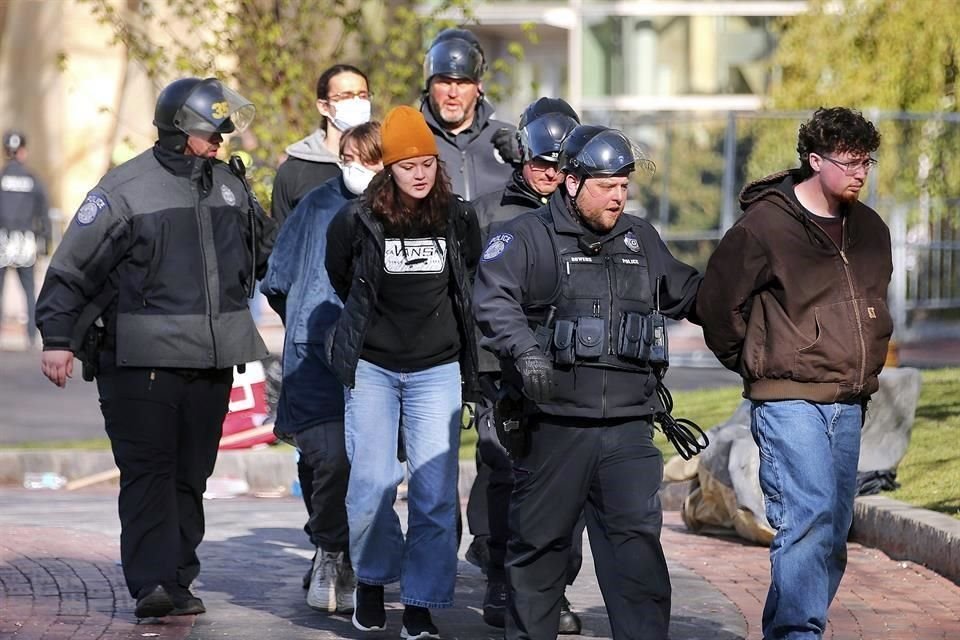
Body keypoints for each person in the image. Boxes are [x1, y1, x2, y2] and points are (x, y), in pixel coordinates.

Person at [35, 77, 276, 619]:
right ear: (177, 131)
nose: (222, 137)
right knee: (150, 474)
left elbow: (270, 255)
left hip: (211, 361)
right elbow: (71, 267)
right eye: (211, 130)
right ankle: (153, 585)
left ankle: (179, 578)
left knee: (191, 475)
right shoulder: (125, 189)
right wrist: (57, 338)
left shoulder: (230, 186)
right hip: (139, 363)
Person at [474, 125, 701, 640]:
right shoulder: (525, 236)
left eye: (624, 184)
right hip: (553, 426)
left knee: (637, 558)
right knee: (539, 556)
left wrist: (746, 294)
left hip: (628, 428)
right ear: (571, 183)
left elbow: (689, 292)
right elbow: (492, 299)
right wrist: (527, 353)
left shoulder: (639, 237)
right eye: (606, 185)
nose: (618, 195)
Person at [697, 107, 891, 640]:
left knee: (830, 530)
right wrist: (755, 362)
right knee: (804, 518)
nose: (859, 172)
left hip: (848, 399)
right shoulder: (765, 226)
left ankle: (792, 626)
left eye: (866, 161)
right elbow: (718, 303)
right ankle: (798, 633)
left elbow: (873, 304)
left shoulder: (870, 229)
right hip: (787, 398)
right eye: (848, 162)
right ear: (814, 160)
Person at [324, 105, 480, 639]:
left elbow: (469, 280)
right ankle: (370, 583)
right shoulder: (356, 219)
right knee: (370, 484)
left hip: (437, 369)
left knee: (434, 494)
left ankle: (421, 603)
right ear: (388, 167)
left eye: (427, 162)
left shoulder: (458, 218)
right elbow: (343, 277)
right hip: (372, 367)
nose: (419, 172)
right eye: (407, 163)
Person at [469, 97, 584, 634]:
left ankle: (553, 588)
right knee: (502, 470)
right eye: (541, 162)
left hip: (568, 364)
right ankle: (499, 580)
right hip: (501, 366)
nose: (550, 175)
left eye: (561, 166)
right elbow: (469, 292)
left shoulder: (589, 215)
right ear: (522, 156)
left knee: (567, 479)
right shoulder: (488, 212)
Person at [260, 122, 383, 614]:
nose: (356, 167)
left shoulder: (407, 212)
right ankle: (331, 549)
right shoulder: (315, 207)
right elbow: (278, 278)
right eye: (349, 156)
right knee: (327, 457)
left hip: (380, 359)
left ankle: (349, 553)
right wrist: (307, 323)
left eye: (368, 158)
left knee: (367, 468)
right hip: (317, 357)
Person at [421, 27, 518, 201]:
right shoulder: (412, 138)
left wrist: (528, 157)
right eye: (444, 82)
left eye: (462, 83)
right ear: (429, 85)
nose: (453, 92)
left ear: (478, 87)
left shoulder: (508, 140)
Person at [272, 64, 371, 225]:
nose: (357, 102)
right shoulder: (294, 172)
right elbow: (281, 241)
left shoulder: (386, 163)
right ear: (324, 106)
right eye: (345, 96)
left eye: (363, 95)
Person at [0, 130, 49, 349]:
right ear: (23, 151)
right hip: (25, 241)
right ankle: (31, 335)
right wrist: (45, 241)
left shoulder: (1, 178)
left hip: (2, 239)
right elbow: (43, 212)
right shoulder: (33, 180)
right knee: (28, 290)